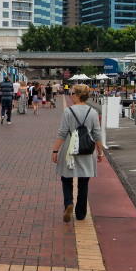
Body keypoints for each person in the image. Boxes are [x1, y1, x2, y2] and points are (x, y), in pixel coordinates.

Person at [50, 84, 105, 222]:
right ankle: (81, 213)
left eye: (72, 92)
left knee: (66, 178)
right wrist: (100, 151)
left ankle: (68, 203)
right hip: (86, 149)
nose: (71, 94)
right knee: (84, 181)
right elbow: (97, 134)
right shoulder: (92, 112)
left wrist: (55, 150)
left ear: (78, 95)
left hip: (70, 147)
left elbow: (62, 133)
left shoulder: (68, 112)